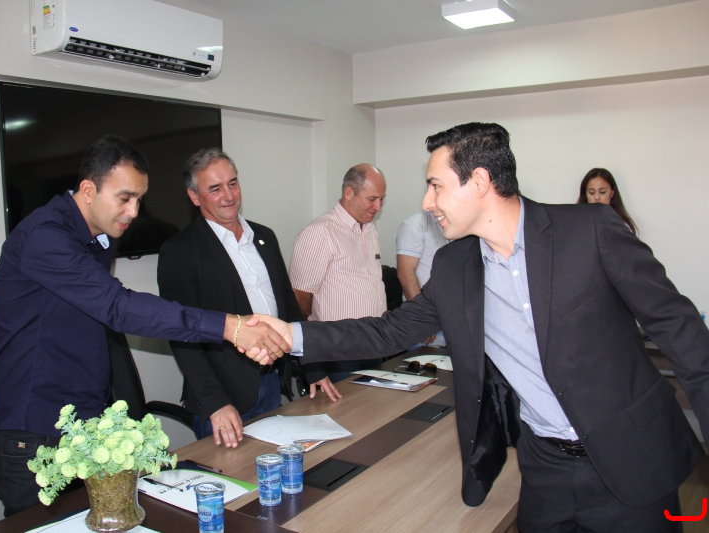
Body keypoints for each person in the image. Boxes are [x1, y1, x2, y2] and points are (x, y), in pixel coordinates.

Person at [251, 123, 709, 532]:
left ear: (481, 182)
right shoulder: (455, 266)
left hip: (630, 455)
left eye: (435, 186)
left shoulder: (590, 230)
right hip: (544, 465)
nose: (427, 202)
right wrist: (292, 335)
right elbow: (388, 331)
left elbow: (684, 334)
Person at [0, 135, 286, 516]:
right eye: (124, 198)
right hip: (35, 430)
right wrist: (230, 326)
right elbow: (117, 306)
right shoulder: (45, 238)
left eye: (139, 199)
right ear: (88, 190)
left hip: (85, 426)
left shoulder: (97, 235)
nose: (133, 212)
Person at [157, 149, 340, 449]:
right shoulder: (179, 251)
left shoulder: (264, 237)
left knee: (273, 466)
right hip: (224, 398)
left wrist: (312, 368)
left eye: (233, 183)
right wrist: (215, 402)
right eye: (215, 188)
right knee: (231, 477)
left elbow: (289, 308)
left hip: (272, 382)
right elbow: (182, 335)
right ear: (194, 196)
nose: (229, 195)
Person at [288, 163, 388, 383]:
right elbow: (299, 299)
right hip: (339, 349)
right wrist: (314, 346)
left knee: (375, 403)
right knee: (345, 405)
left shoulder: (369, 229)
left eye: (382, 199)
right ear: (349, 192)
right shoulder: (320, 233)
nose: (378, 206)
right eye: (372, 199)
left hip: (374, 341)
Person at [396, 209, 449, 346]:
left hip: (452, 321)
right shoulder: (415, 225)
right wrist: (423, 318)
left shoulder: (457, 224)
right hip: (427, 322)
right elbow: (405, 273)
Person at [577, 167, 638, 235]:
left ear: (612, 193)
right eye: (592, 193)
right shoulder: (577, 222)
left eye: (602, 192)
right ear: (585, 194)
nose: (597, 197)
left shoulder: (622, 225)